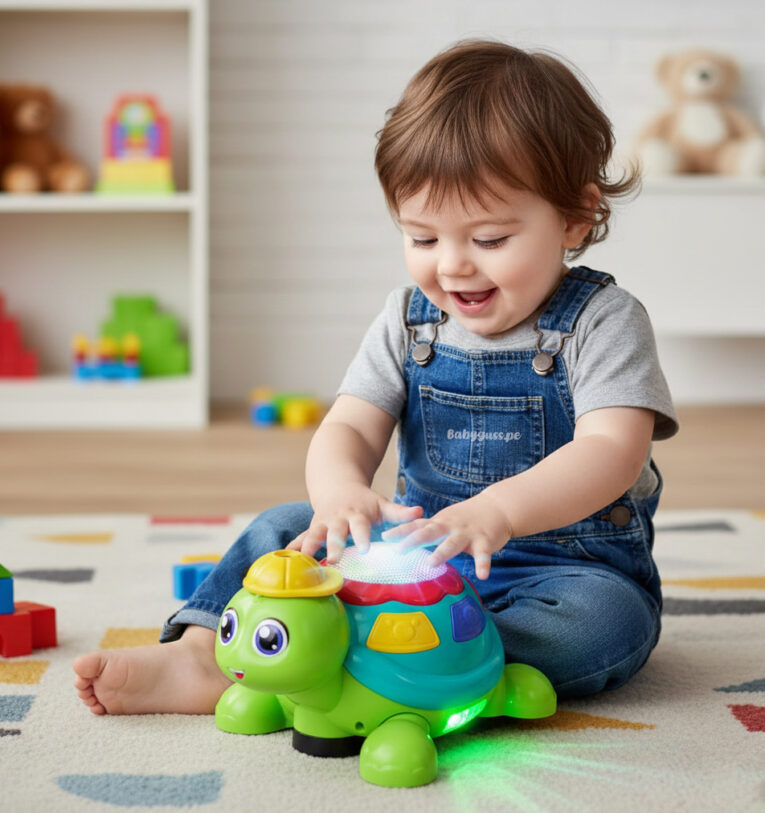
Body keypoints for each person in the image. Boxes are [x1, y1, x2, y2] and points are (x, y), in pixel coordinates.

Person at [74, 39, 678, 716]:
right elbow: (351, 423)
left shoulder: (604, 320)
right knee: (284, 524)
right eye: (422, 238)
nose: (452, 266)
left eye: (488, 240)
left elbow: (611, 451)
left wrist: (499, 513)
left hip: (563, 569)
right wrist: (339, 493)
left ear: (573, 215)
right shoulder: (408, 319)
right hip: (408, 562)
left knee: (603, 624)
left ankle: (397, 661)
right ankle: (204, 653)